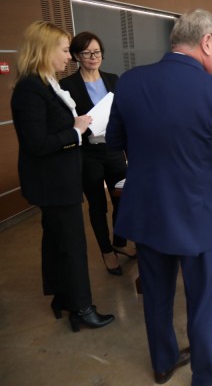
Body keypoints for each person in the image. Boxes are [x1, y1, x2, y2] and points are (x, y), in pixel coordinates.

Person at [106, 9, 212, 386]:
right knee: (202, 298)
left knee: (156, 293)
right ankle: (206, 375)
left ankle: (163, 361)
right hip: (197, 214)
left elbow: (114, 141)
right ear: (206, 42)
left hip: (147, 209)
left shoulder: (129, 82)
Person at [11, 21, 114, 332]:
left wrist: (74, 126)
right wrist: (76, 131)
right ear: (45, 50)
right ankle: (82, 308)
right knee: (72, 246)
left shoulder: (45, 84)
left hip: (59, 178)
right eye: (66, 50)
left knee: (57, 242)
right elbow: (37, 143)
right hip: (53, 182)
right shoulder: (31, 88)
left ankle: (62, 298)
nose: (70, 57)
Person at [60, 32, 134, 277]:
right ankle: (106, 251)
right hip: (88, 153)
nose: (93, 57)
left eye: (97, 52)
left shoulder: (113, 79)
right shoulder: (67, 85)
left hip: (113, 149)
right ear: (76, 56)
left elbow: (123, 114)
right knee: (97, 204)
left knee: (122, 197)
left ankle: (119, 242)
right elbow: (64, 121)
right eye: (87, 53)